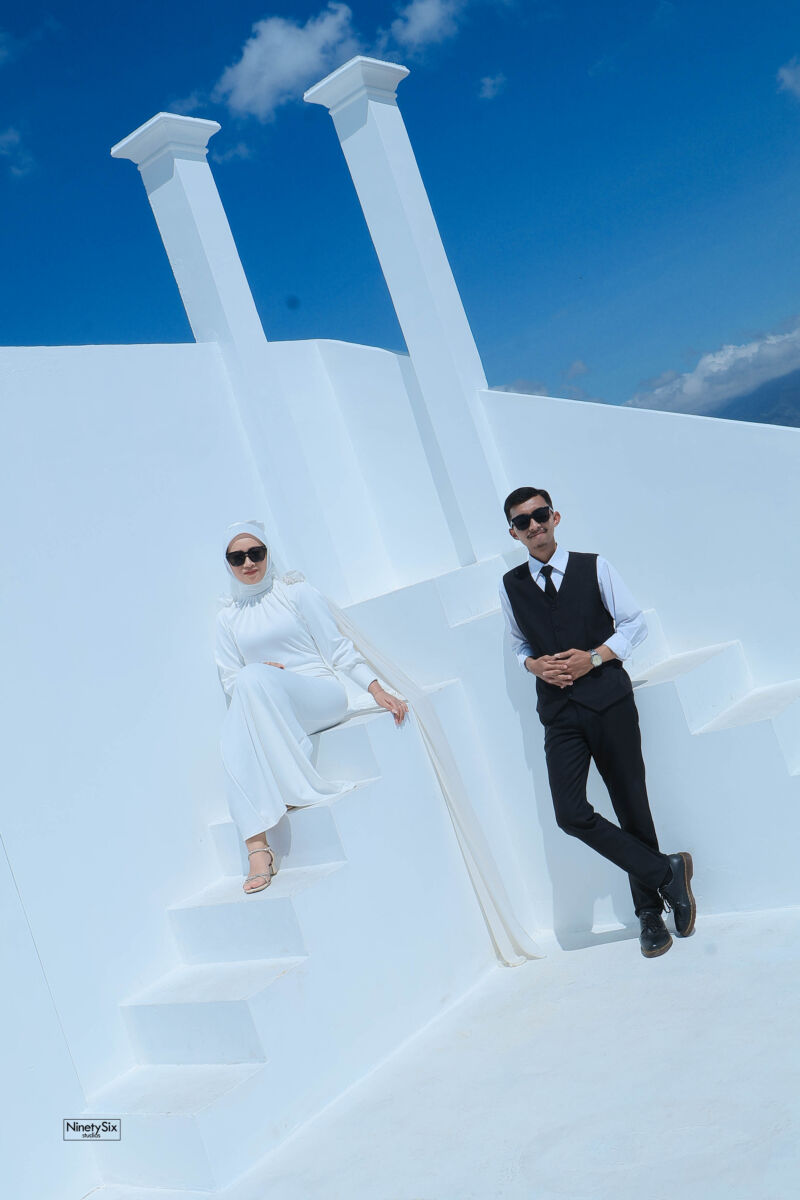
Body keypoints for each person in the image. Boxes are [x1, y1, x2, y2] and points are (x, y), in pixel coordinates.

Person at [498, 487, 696, 958]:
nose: (534, 525)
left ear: (555, 517)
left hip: (609, 703)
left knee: (631, 805)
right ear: (514, 533)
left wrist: (594, 657)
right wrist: (533, 665)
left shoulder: (595, 567)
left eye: (540, 515)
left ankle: (648, 913)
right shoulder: (511, 585)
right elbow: (519, 644)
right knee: (570, 813)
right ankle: (666, 872)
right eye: (523, 521)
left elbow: (634, 624)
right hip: (559, 714)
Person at [216, 521, 407, 894]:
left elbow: (337, 648)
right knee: (236, 719)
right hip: (272, 704)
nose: (248, 563)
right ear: (228, 564)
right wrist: (262, 674)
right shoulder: (227, 618)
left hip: (321, 695)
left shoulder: (296, 593)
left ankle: (261, 840)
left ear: (268, 553)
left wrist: (375, 689)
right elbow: (230, 680)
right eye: (237, 558)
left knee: (252, 680)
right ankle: (257, 846)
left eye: (256, 553)